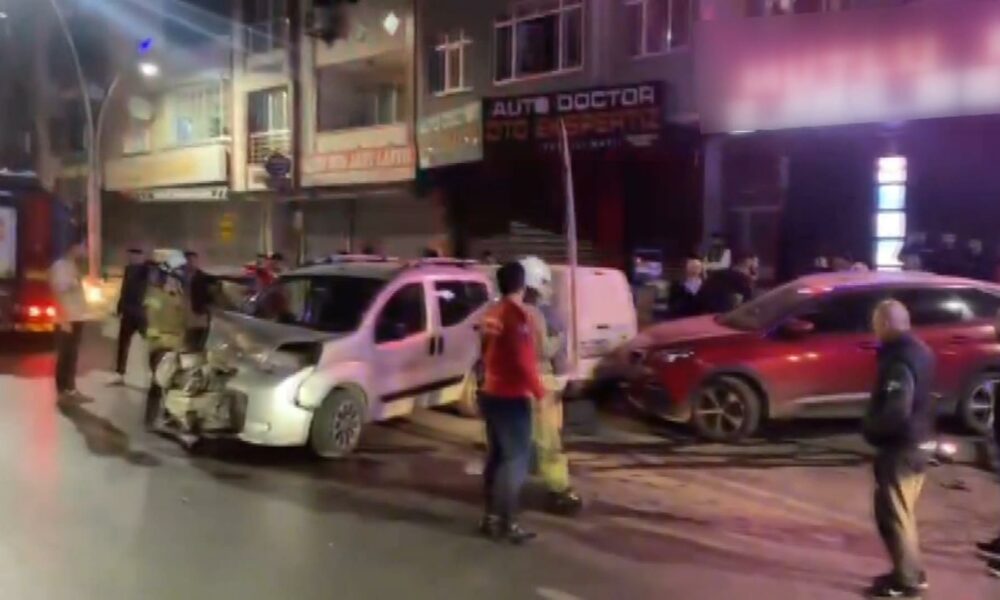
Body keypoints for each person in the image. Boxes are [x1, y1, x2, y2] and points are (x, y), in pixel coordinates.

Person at [863, 300, 935, 599]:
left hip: (902, 448)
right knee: (902, 514)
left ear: (886, 324)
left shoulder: (899, 359)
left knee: (894, 516)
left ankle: (906, 581)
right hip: (918, 441)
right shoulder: (920, 350)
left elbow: (896, 409)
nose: (874, 329)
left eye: (876, 323)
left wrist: (872, 430)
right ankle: (911, 572)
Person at [477, 261, 546, 544]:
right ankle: (508, 522)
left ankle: (491, 518)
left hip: (490, 392)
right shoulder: (517, 316)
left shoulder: (491, 313)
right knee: (515, 460)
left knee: (496, 456)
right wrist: (540, 393)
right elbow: (522, 360)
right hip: (511, 396)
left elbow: (483, 351)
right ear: (522, 285)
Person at [519, 256, 583, 516]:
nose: (548, 289)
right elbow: (548, 351)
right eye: (545, 283)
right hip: (539, 382)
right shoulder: (539, 315)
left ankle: (503, 486)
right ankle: (559, 489)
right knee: (549, 440)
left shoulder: (499, 310)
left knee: (513, 438)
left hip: (508, 384)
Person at [143, 260, 190, 431]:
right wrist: (159, 343)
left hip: (176, 346)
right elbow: (151, 319)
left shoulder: (180, 297)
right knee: (159, 381)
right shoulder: (156, 295)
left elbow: (184, 321)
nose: (175, 281)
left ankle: (169, 417)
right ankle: (150, 419)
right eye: (173, 277)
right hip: (160, 346)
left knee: (175, 384)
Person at [50, 240, 89, 401]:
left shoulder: (73, 266)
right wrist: (64, 319)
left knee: (72, 355)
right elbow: (59, 291)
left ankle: (70, 389)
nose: (84, 251)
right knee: (65, 355)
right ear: (73, 248)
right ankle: (61, 390)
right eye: (82, 247)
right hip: (67, 318)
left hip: (76, 317)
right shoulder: (61, 266)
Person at [111, 248, 148, 385]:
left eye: (136, 256)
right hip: (128, 312)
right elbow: (124, 290)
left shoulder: (145, 270)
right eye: (131, 256)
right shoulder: (128, 269)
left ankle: (158, 374)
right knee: (123, 344)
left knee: (151, 344)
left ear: (141, 257)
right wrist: (119, 308)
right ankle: (120, 374)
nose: (132, 259)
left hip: (142, 313)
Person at [183, 251, 215, 351]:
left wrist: (206, 308)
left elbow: (210, 295)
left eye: (193, 260)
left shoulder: (203, 277)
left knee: (198, 343)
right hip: (185, 316)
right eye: (189, 260)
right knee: (187, 343)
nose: (191, 263)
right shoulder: (181, 276)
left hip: (199, 316)